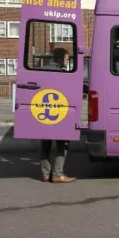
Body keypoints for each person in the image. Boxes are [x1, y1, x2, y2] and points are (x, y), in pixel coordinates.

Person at [40, 47, 75, 183]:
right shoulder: (62, 73)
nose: (67, 62)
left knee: (45, 144)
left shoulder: (42, 71)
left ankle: (45, 174)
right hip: (58, 111)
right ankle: (57, 174)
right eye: (67, 59)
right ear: (61, 60)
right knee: (62, 143)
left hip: (44, 111)